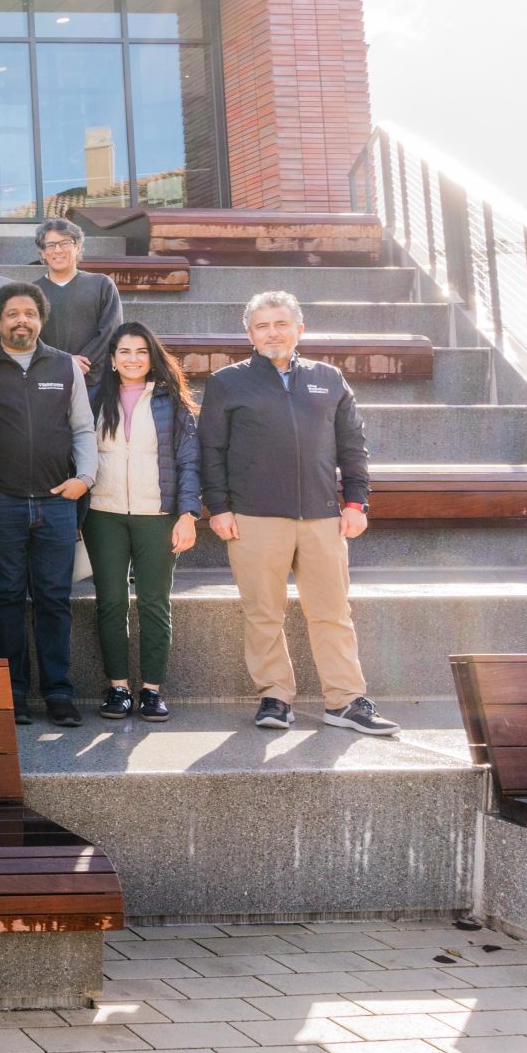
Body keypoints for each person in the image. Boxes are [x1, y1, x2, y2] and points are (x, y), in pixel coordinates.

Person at [199, 290, 398, 736]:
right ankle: (274, 697)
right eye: (263, 325)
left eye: (281, 323)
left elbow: (352, 446)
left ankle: (345, 700)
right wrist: (219, 507)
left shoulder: (328, 379)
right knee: (262, 611)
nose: (273, 332)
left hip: (323, 515)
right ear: (249, 334)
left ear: (299, 329)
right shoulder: (227, 383)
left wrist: (356, 502)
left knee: (332, 611)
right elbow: (211, 450)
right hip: (253, 517)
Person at [0, 283, 96, 726]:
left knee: (54, 599)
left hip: (58, 502)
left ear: (41, 319)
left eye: (30, 313)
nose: (22, 320)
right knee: (5, 598)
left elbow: (82, 428)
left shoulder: (63, 365)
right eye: (12, 314)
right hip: (0, 503)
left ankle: (59, 692)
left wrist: (85, 478)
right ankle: (12, 691)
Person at [86, 323, 202, 723]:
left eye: (140, 351)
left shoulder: (173, 402)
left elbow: (188, 462)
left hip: (159, 515)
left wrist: (187, 514)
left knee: (154, 602)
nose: (132, 358)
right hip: (104, 514)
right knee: (111, 603)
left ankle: (151, 690)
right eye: (124, 352)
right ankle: (118, 687)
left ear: (152, 357)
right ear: (113, 360)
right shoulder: (94, 399)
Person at [32, 218, 124, 371]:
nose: (58, 250)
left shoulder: (101, 284)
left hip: (94, 380)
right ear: (42, 252)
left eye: (65, 243)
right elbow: (30, 338)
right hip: (48, 379)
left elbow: (110, 331)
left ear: (78, 247)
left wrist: (79, 363)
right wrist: (63, 362)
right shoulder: (31, 292)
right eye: (50, 245)